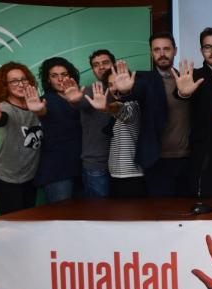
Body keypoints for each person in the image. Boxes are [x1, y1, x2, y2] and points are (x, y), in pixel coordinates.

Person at [113, 32, 190, 197]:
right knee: (161, 214)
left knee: (187, 215)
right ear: (151, 53)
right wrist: (124, 91)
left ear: (175, 51)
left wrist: (187, 93)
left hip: (187, 159)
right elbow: (133, 93)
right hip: (156, 161)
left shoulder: (187, 79)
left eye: (166, 49)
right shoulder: (143, 79)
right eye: (157, 50)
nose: (162, 54)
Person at [174, 27, 212, 197]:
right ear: (201, 51)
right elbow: (181, 94)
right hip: (208, 154)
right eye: (207, 47)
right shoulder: (196, 76)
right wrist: (183, 93)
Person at [0, 62, 46, 214]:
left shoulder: (35, 104)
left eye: (24, 79)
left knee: (27, 223)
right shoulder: (4, 107)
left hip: (30, 176)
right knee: (11, 225)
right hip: (7, 178)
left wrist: (40, 110)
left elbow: (43, 113)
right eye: (14, 81)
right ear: (5, 86)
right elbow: (2, 118)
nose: (21, 84)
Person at [61, 49, 116, 198]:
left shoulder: (124, 90)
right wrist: (76, 100)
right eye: (96, 65)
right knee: (99, 215)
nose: (101, 67)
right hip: (97, 165)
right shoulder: (88, 92)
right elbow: (80, 103)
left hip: (124, 166)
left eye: (105, 63)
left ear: (114, 64)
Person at [89, 69, 146, 198]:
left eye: (118, 82)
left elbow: (125, 112)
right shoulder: (121, 107)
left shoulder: (134, 104)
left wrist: (107, 108)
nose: (115, 87)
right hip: (118, 175)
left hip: (130, 176)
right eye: (110, 84)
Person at [35, 57, 83, 203]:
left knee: (85, 218)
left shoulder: (82, 96)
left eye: (64, 74)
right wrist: (38, 110)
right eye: (54, 76)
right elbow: (40, 111)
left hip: (84, 167)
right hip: (57, 170)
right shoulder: (43, 101)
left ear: (71, 76)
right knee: (61, 218)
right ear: (48, 79)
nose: (60, 79)